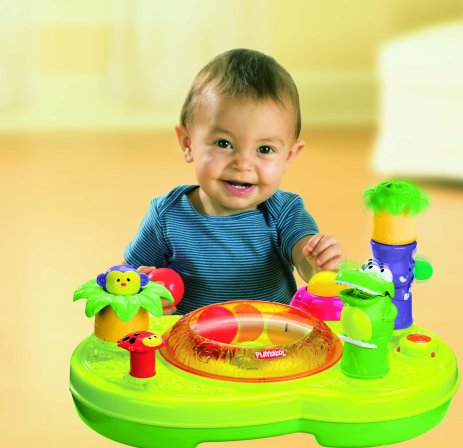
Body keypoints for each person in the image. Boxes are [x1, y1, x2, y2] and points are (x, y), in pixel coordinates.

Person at [124, 49, 345, 315]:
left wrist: (320, 263)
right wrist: (145, 294)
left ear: (288, 157)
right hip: (192, 340)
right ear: (188, 144)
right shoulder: (166, 216)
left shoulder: (285, 212)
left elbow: (305, 259)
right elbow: (127, 278)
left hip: (271, 337)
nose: (243, 163)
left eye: (264, 149)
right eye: (223, 143)